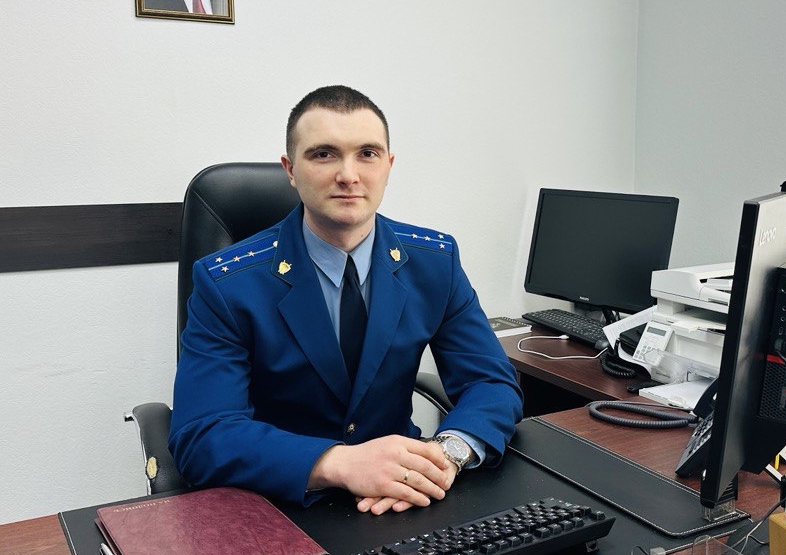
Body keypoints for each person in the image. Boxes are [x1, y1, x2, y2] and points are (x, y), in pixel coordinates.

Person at [169, 85, 523, 515]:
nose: (349, 175)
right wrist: (338, 463)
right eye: (324, 154)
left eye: (367, 154)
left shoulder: (435, 262)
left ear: (388, 166)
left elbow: (491, 382)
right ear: (290, 169)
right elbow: (202, 433)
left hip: (400, 497)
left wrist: (446, 453)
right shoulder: (227, 283)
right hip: (282, 501)